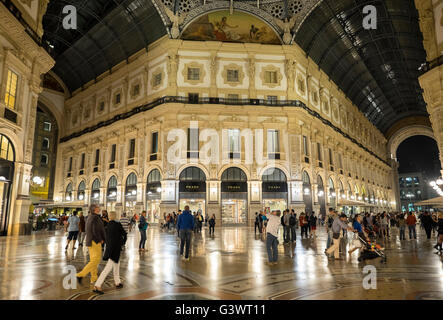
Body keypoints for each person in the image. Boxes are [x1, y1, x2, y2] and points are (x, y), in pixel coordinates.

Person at [93, 211, 127, 295]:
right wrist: (123, 243)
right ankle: (97, 285)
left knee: (116, 265)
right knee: (108, 268)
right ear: (115, 216)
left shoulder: (108, 225)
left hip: (110, 249)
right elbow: (124, 234)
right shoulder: (117, 225)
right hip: (115, 249)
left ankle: (117, 282)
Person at [76, 204, 106, 285]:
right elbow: (95, 230)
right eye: (97, 207)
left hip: (91, 240)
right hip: (95, 241)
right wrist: (100, 239)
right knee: (96, 260)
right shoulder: (95, 217)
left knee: (93, 260)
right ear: (94, 209)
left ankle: (93, 278)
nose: (99, 208)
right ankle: (80, 275)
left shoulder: (90, 217)